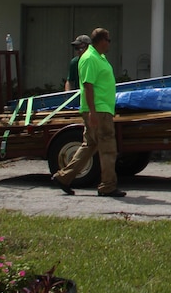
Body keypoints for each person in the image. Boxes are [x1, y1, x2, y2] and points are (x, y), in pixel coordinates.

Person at [50, 28, 125, 197]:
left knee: (89, 145)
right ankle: (108, 185)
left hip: (101, 109)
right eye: (108, 40)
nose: (110, 43)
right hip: (98, 110)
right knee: (108, 148)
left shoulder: (99, 57)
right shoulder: (90, 58)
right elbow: (88, 86)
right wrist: (92, 112)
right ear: (102, 41)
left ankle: (64, 177)